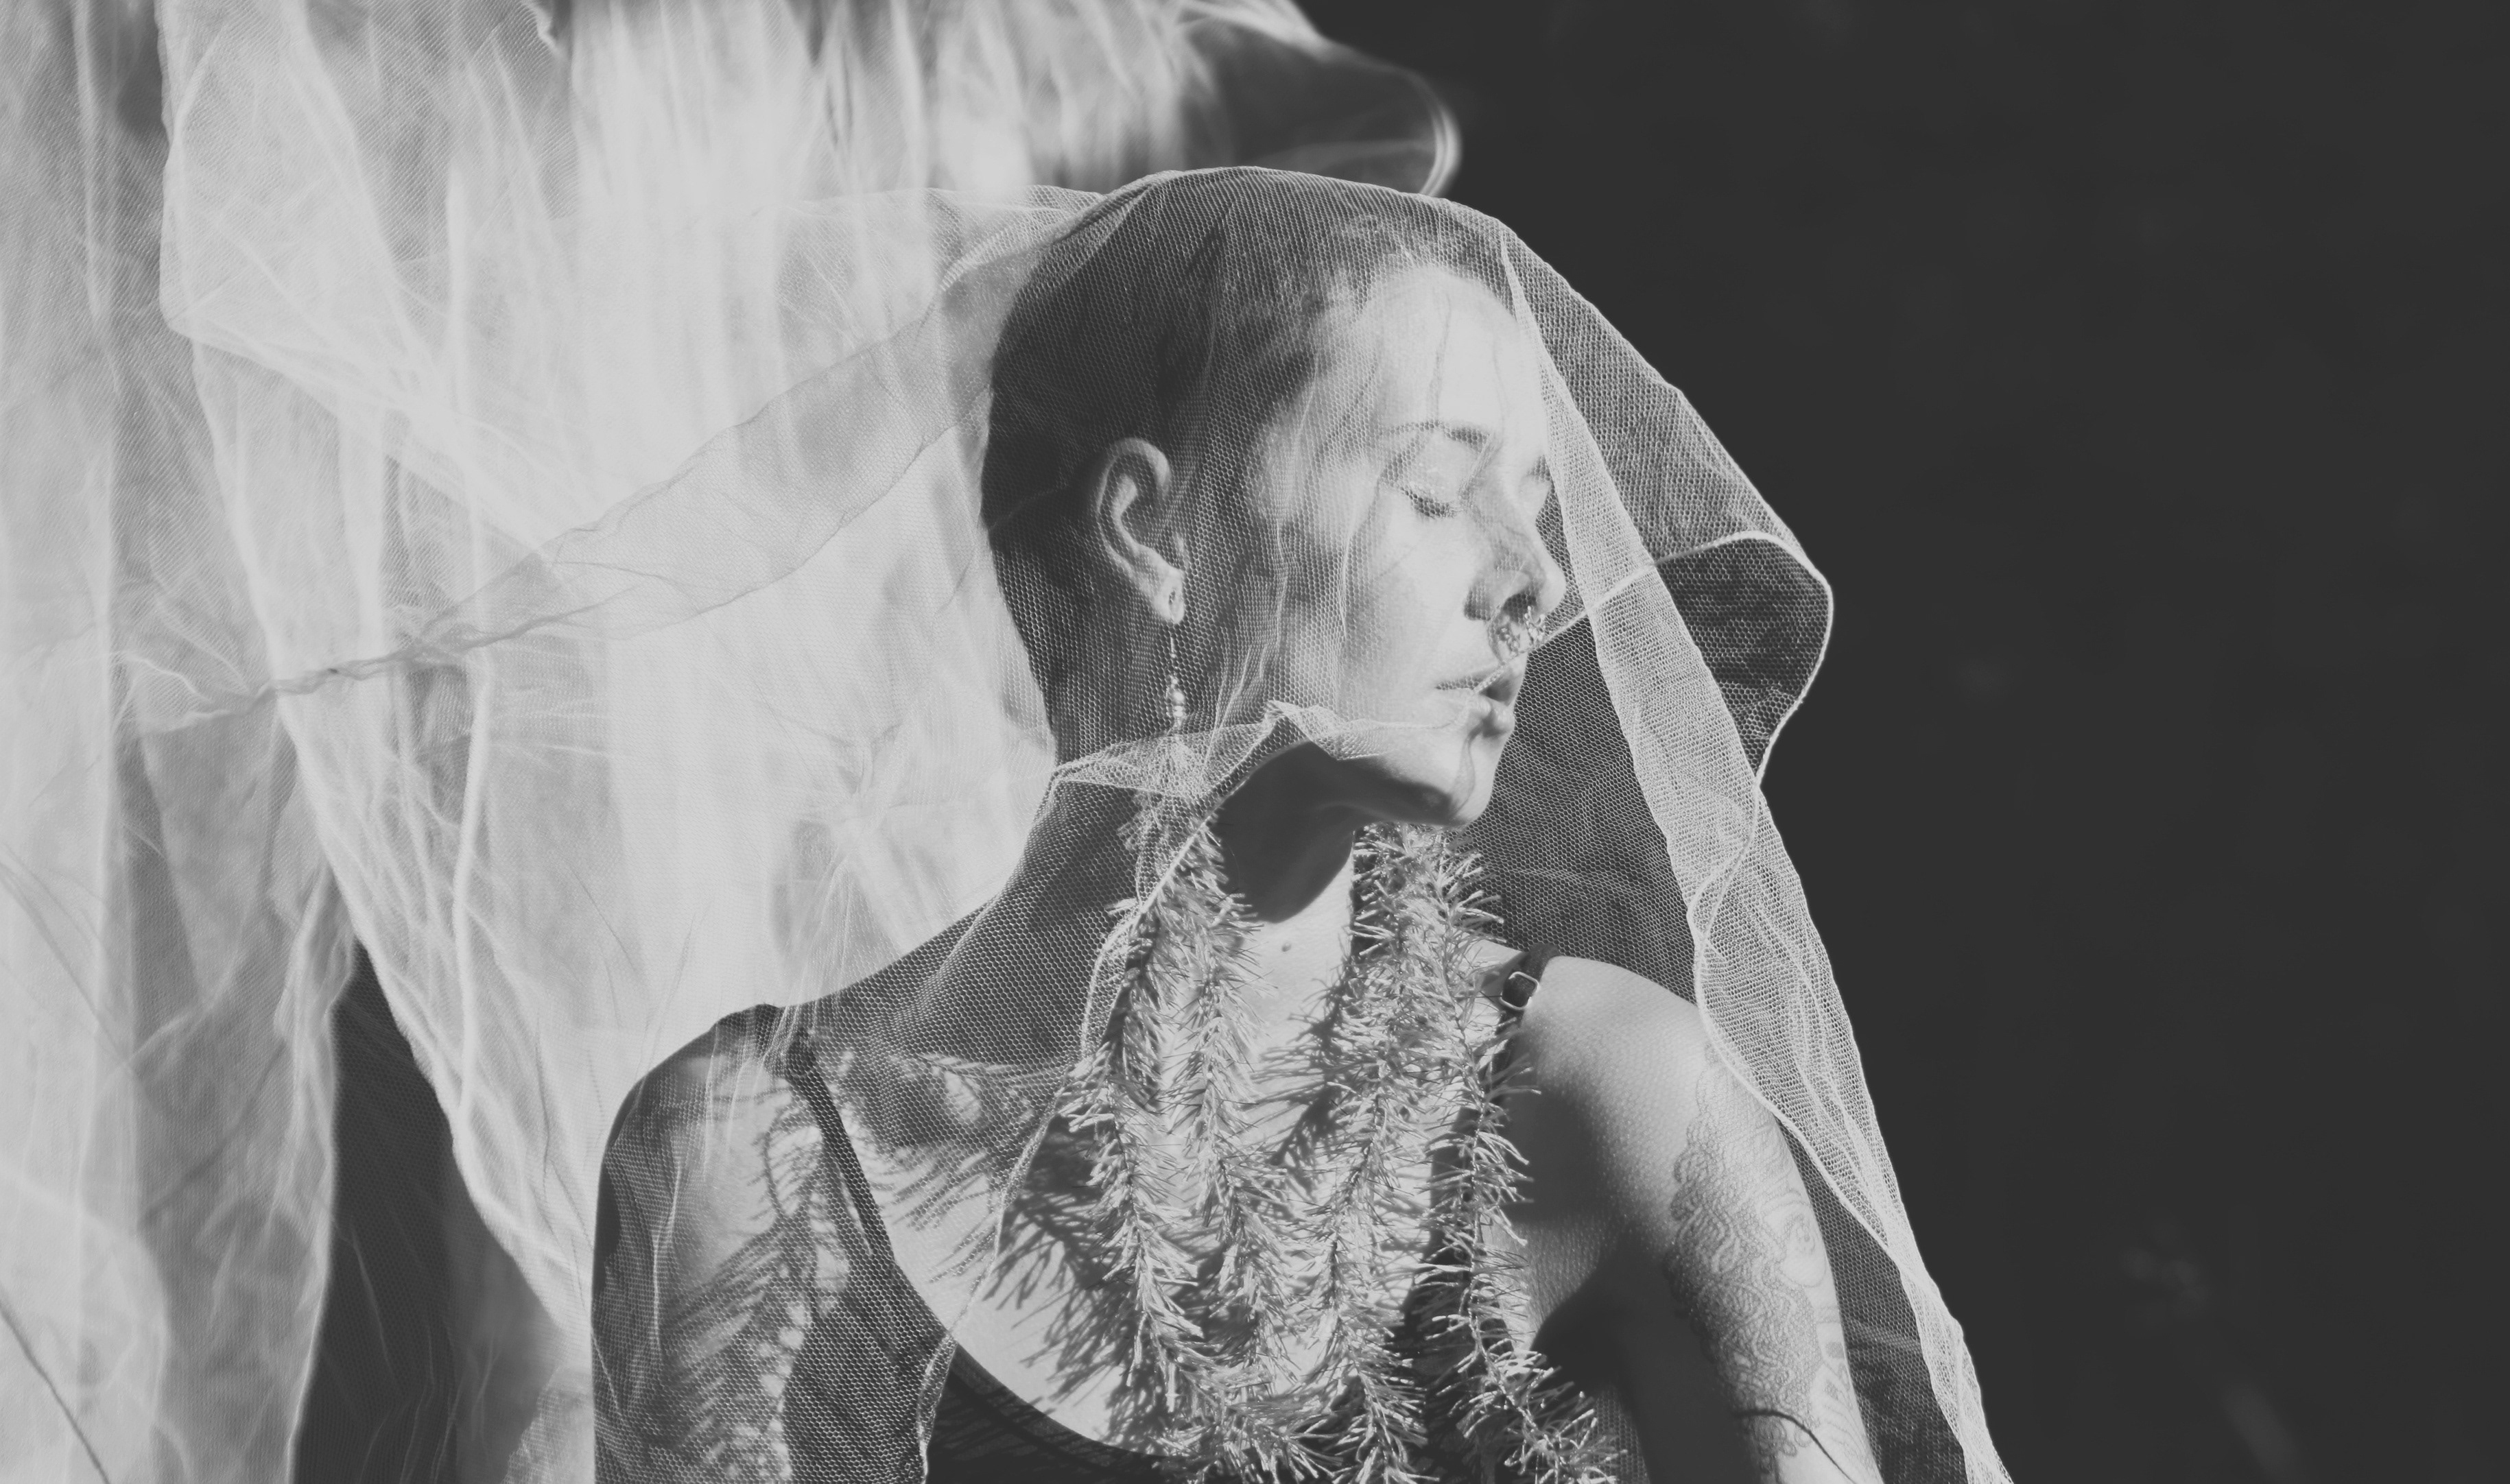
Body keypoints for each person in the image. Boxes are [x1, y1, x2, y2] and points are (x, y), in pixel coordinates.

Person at [594, 169, 1910, 1484]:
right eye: (1438, 489)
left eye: (1538, 503)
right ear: (1154, 532)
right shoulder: (755, 1151)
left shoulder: (1603, 1092)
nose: (1540, 579)